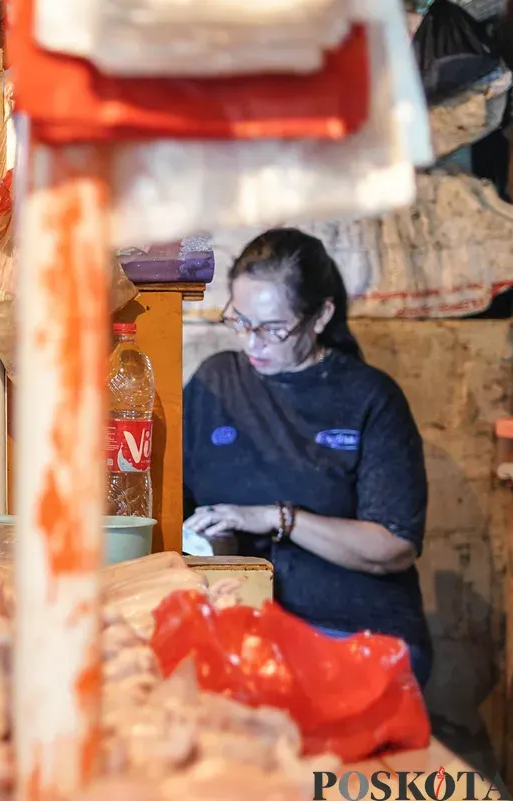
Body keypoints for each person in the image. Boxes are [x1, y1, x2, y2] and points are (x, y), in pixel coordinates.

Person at [182, 228, 432, 687]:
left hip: (352, 630)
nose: (253, 342)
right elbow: (174, 500)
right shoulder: (215, 383)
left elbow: (394, 547)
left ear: (321, 316)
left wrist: (277, 519)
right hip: (247, 623)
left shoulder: (369, 398)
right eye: (240, 321)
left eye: (274, 329)